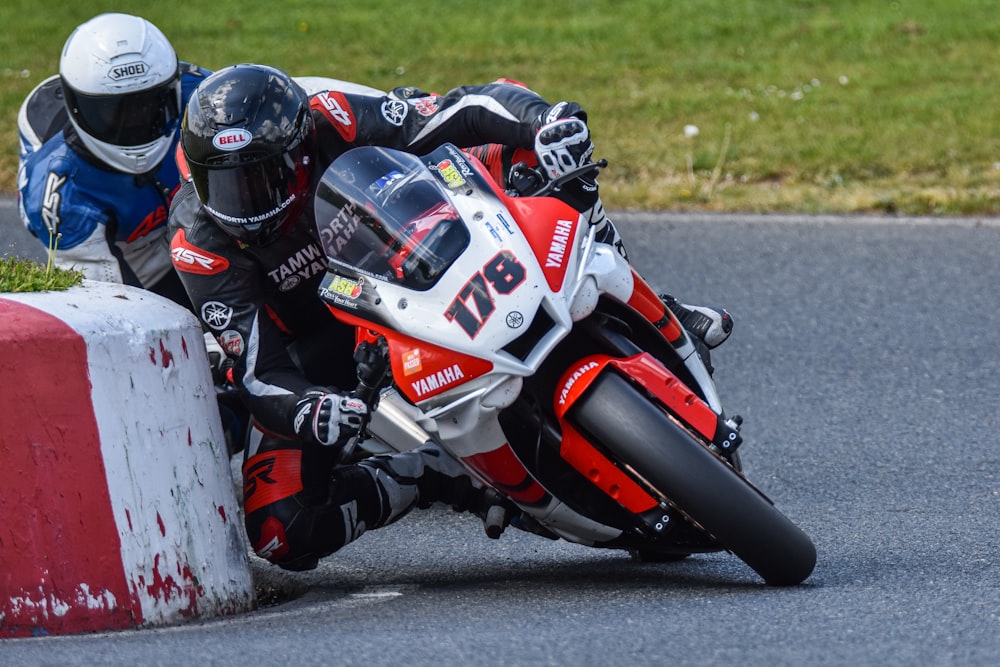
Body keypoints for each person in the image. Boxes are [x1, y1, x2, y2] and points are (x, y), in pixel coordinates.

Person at [167, 63, 733, 572]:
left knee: (529, 134)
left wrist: (545, 121)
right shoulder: (201, 245)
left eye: (261, 176)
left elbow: (457, 110)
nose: (245, 200)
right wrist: (308, 408)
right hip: (323, 343)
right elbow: (256, 370)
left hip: (414, 247)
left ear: (299, 148)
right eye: (225, 182)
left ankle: (651, 301)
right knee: (279, 532)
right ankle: (435, 474)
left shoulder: (330, 117)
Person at [16, 13, 211, 307]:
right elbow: (111, 315)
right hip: (134, 250)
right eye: (111, 114)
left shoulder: (204, 99)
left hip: (208, 222)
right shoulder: (61, 192)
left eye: (148, 107)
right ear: (77, 108)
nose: (133, 125)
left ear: (173, 89)